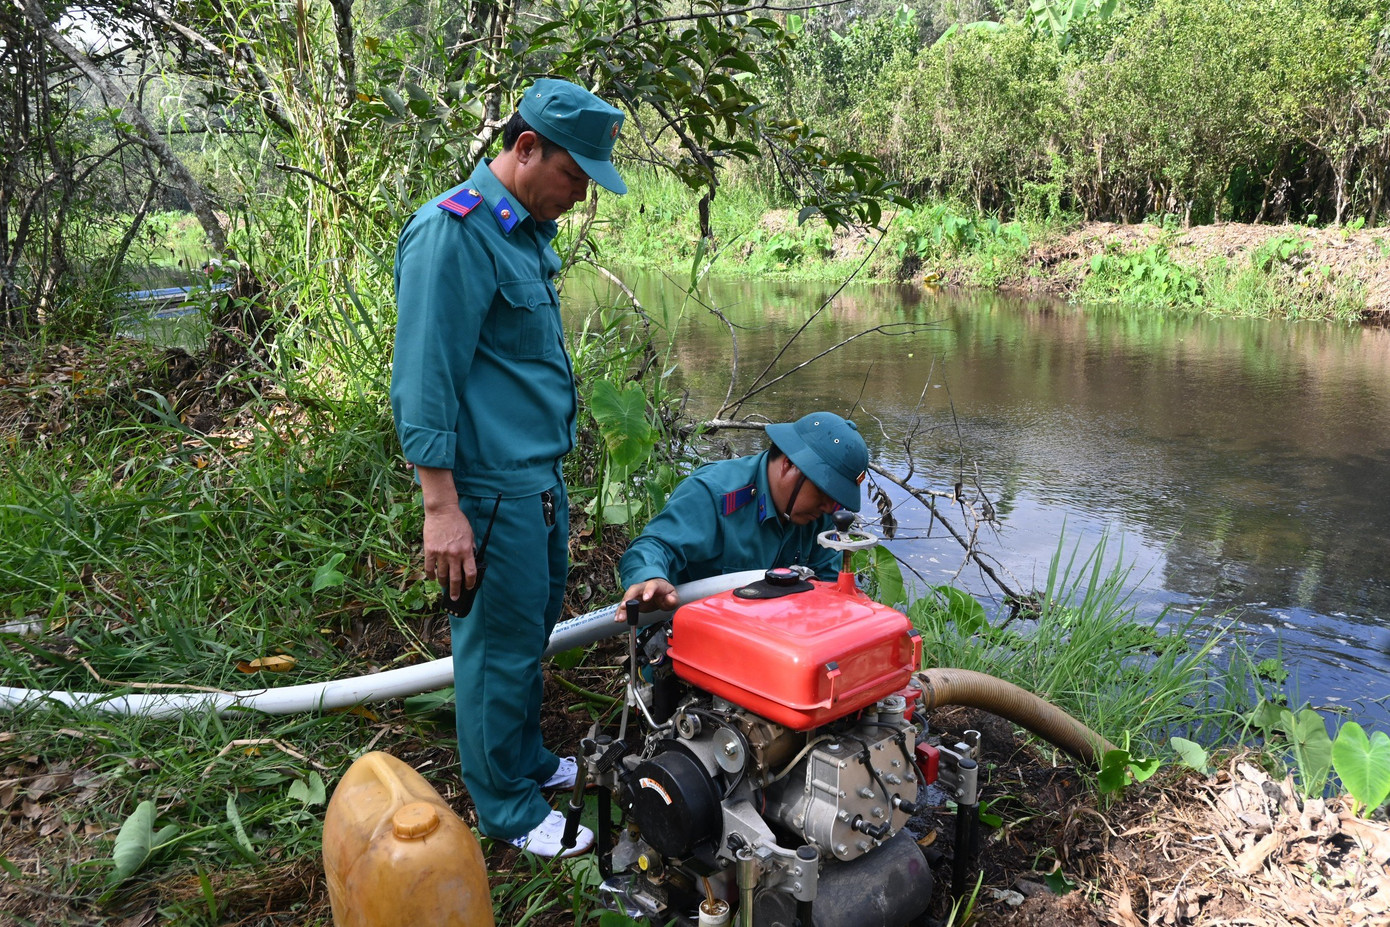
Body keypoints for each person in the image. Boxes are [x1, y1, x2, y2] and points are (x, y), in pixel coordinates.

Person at [390, 78, 627, 858]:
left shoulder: (522, 233)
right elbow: (427, 375)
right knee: (493, 651)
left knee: (525, 637)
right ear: (527, 149)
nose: (580, 196)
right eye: (574, 176)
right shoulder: (453, 232)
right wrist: (440, 505)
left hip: (536, 485)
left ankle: (523, 758)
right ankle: (507, 807)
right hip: (486, 492)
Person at [620, 412, 870, 612]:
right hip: (688, 641)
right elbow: (654, 545)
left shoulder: (820, 516)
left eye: (836, 499)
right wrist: (648, 577)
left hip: (769, 640)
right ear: (788, 465)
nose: (829, 508)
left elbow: (827, 586)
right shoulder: (715, 493)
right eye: (823, 493)